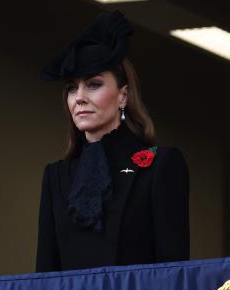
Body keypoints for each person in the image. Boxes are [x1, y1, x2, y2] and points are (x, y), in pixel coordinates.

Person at [36, 11, 189, 272]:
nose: (79, 97)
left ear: (123, 96)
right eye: (72, 88)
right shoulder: (56, 176)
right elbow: (46, 277)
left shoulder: (160, 164)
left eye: (94, 84)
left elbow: (174, 274)